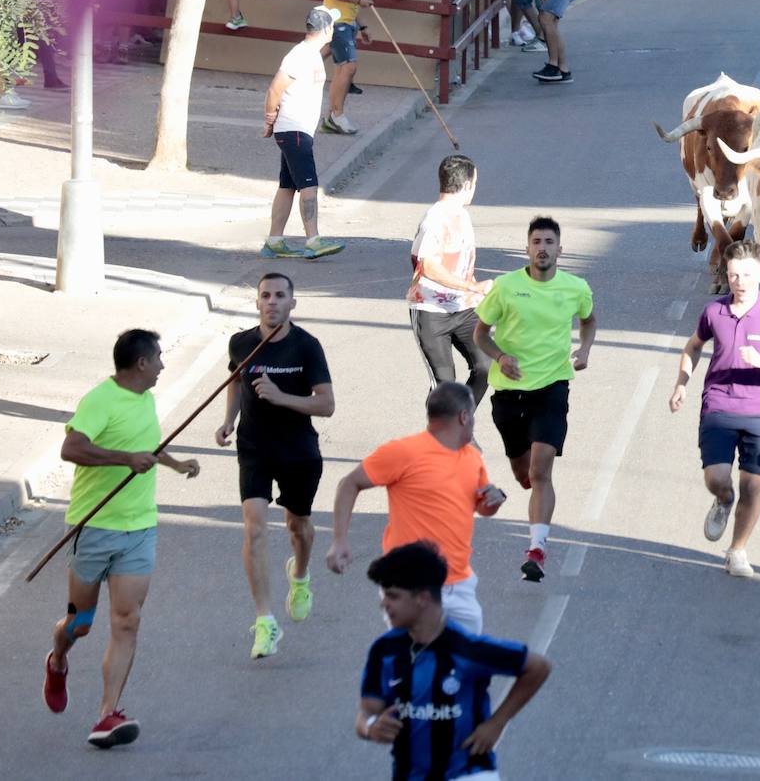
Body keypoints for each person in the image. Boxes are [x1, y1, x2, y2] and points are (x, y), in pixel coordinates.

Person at [43, 330, 201, 748]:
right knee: (80, 624)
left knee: (127, 621)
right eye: (159, 359)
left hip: (139, 529)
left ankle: (107, 714)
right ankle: (58, 660)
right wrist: (124, 460)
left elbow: (145, 444)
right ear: (142, 364)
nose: (164, 366)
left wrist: (175, 463)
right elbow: (71, 449)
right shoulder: (100, 400)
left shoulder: (146, 398)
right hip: (93, 529)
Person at [668, 241, 760, 577]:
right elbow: (693, 347)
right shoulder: (714, 312)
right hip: (719, 403)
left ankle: (738, 550)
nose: (739, 281)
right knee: (717, 478)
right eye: (733, 275)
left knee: (752, 487)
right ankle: (723, 500)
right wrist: (682, 383)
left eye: (746, 274)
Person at [356, 542, 552, 779]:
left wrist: (497, 723)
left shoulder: (468, 648)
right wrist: (370, 727)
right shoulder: (384, 650)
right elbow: (367, 713)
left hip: (469, 773)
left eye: (392, 596)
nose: (383, 604)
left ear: (423, 598)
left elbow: (538, 667)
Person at [216, 273, 336, 659]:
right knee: (254, 529)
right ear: (257, 303)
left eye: (280, 296)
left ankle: (299, 576)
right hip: (254, 448)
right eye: (265, 295)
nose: (272, 302)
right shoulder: (241, 343)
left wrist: (282, 397)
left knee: (298, 527)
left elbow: (326, 404)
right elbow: (235, 379)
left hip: (298, 450)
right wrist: (228, 420)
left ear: (292, 304)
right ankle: (265, 621)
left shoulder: (307, 348)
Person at [473, 216, 596, 582]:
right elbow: (481, 333)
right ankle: (532, 497)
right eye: (536, 242)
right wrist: (500, 357)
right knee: (523, 473)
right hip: (509, 391)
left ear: (560, 249)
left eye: (549, 242)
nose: (542, 248)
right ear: (527, 248)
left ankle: (537, 548)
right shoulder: (507, 287)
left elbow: (588, 319)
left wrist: (585, 349)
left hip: (552, 387)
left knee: (541, 470)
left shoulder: (576, 287)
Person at [327, 383, 506, 633]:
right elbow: (350, 483)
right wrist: (339, 540)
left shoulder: (472, 458)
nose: (474, 421)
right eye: (473, 415)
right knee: (417, 664)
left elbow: (483, 507)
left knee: (467, 666)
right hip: (409, 585)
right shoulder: (404, 452)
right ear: (464, 417)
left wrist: (493, 501)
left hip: (459, 582)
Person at [260, 6, 346, 261]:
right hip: (294, 129)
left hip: (296, 130)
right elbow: (275, 88)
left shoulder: (311, 54)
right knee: (309, 184)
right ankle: (313, 239)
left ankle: (275, 240)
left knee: (288, 185)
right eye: (332, 25)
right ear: (327, 28)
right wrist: (269, 120)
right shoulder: (299, 55)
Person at [408, 154, 492, 406]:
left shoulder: (462, 215)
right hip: (431, 312)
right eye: (475, 183)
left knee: (487, 365)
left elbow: (461, 264)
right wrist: (472, 286)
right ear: (466, 185)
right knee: (445, 384)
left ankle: (458, 422)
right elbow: (429, 267)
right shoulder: (435, 219)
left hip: (464, 309)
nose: (475, 189)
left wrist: (476, 294)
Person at [321, 0, 374, 135]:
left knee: (342, 69)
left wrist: (362, 26)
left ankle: (332, 116)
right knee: (348, 68)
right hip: (338, 22)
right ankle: (336, 115)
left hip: (347, 22)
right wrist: (358, 1)